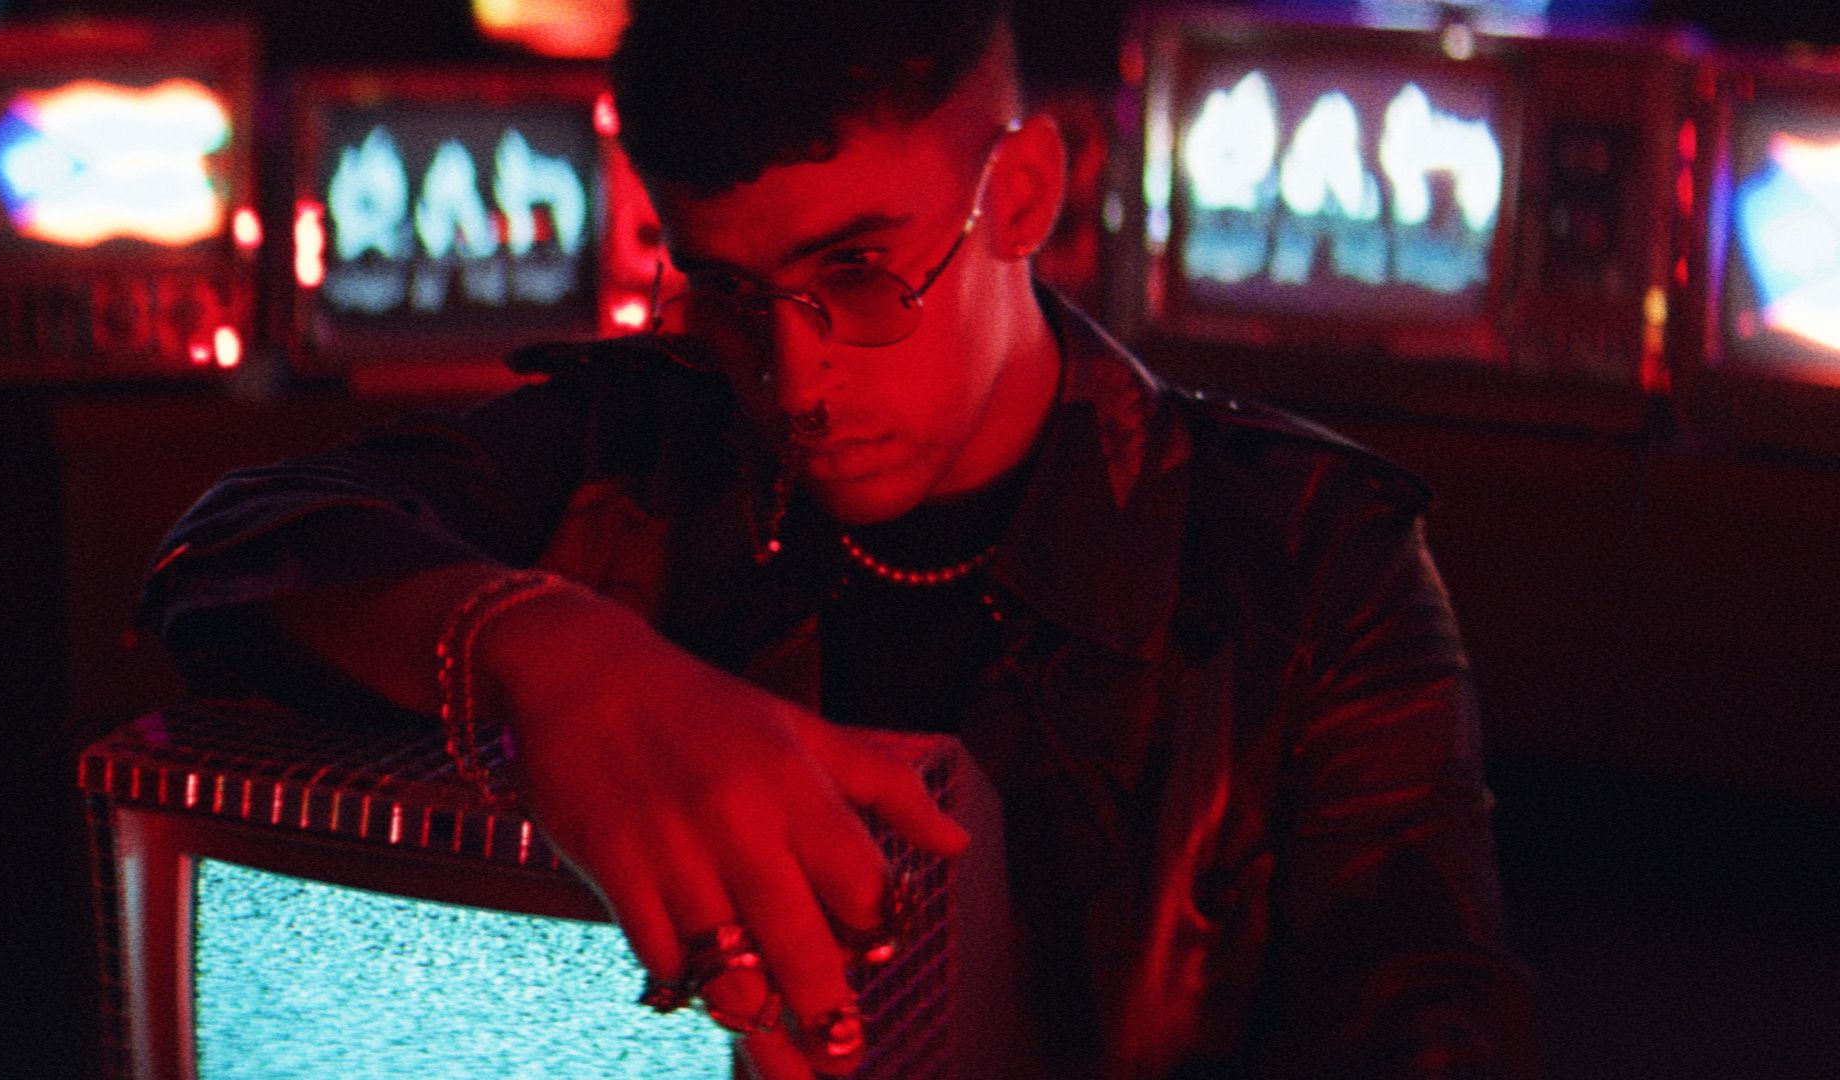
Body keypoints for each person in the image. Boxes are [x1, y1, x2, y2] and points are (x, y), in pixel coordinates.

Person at [140, 1, 1537, 1076]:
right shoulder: (637, 446)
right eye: (731, 293)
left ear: (1026, 196)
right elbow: (229, 556)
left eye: (858, 275)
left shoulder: (1304, 551)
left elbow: (1431, 1037)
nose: (797, 383)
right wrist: (543, 654)